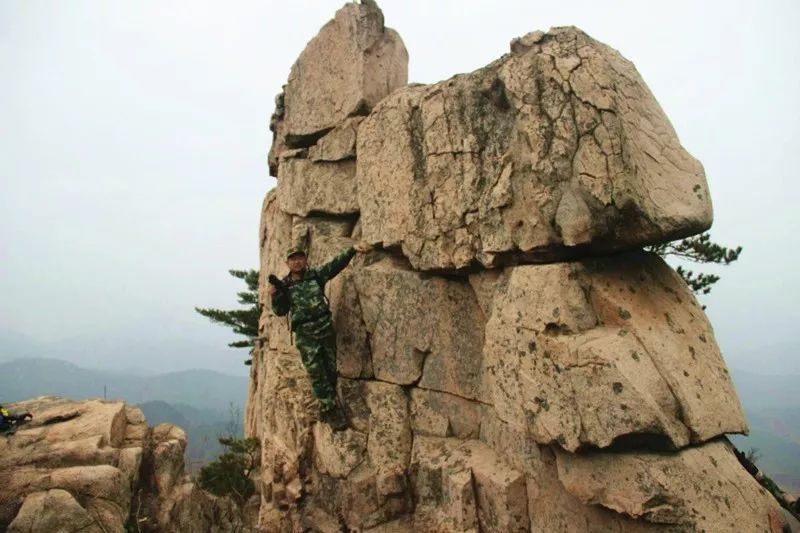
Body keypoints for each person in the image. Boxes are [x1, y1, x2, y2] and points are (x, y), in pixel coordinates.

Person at [269, 243, 371, 431]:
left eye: (300, 258)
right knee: (317, 372)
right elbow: (280, 311)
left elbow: (336, 265)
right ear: (287, 263)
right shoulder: (284, 286)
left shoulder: (316, 276)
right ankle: (330, 409)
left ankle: (328, 405)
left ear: (305, 260)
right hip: (306, 336)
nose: (297, 262)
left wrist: (352, 249)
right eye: (293, 259)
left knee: (330, 369)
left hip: (325, 330)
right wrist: (275, 296)